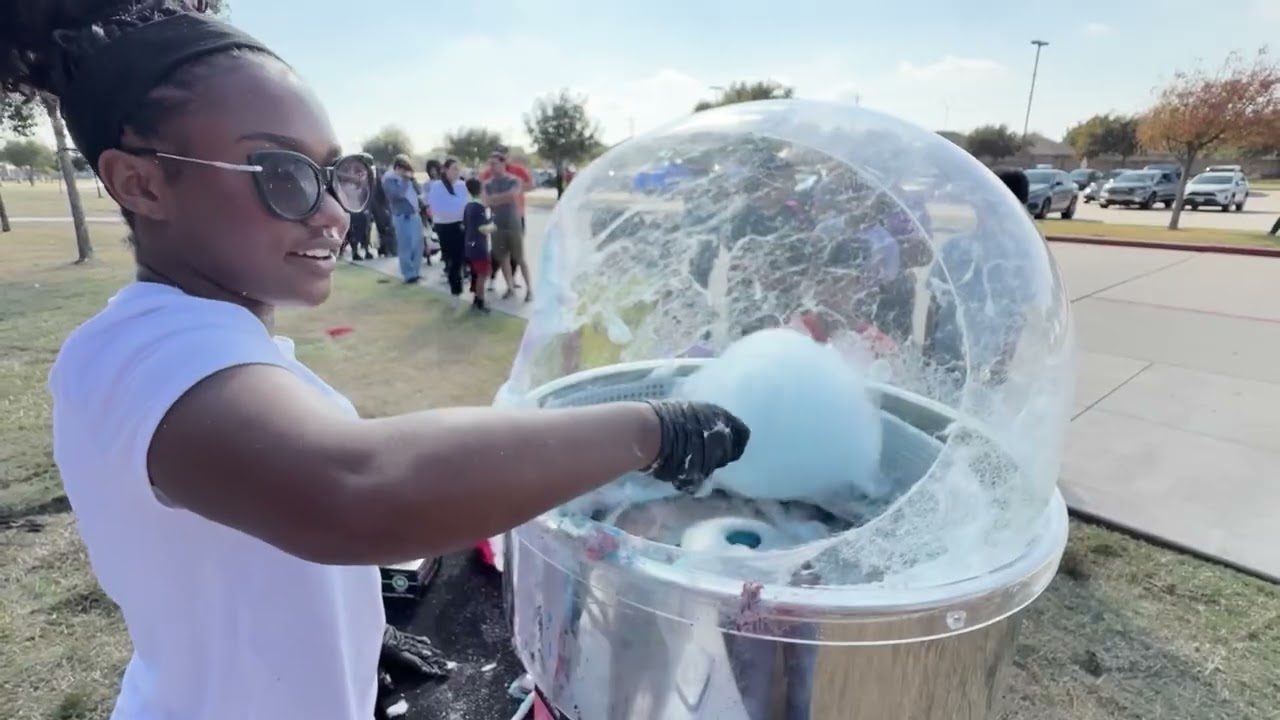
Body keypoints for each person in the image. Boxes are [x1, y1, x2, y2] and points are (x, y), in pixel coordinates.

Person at [8, 6, 751, 720]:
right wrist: (652, 431)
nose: (333, 212)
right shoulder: (143, 354)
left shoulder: (208, 339)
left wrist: (351, 630)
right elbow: (355, 487)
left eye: (338, 174)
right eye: (283, 175)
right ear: (141, 183)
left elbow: (244, 545)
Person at [479, 145, 533, 284]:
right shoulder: (487, 175)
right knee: (499, 254)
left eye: (501, 155)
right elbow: (484, 199)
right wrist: (503, 197)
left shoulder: (517, 172)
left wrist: (497, 198)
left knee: (517, 255)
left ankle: (515, 281)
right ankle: (497, 279)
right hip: (497, 219)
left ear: (505, 158)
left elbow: (528, 186)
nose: (492, 165)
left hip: (517, 215)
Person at [425, 158, 470, 305]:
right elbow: (438, 208)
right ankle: (455, 291)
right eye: (454, 169)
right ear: (445, 170)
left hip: (460, 225)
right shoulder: (437, 186)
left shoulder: (462, 186)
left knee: (459, 259)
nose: (457, 172)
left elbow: (466, 204)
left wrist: (456, 207)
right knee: (450, 260)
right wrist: (457, 206)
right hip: (444, 227)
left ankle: (458, 288)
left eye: (458, 169)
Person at [382, 154, 424, 283]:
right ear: (397, 167)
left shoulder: (409, 179)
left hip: (415, 215)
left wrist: (413, 180)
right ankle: (408, 274)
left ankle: (416, 272)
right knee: (405, 246)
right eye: (404, 168)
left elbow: (419, 191)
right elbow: (397, 195)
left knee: (417, 246)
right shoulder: (389, 180)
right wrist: (405, 181)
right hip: (402, 216)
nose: (406, 171)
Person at [463, 177, 494, 313]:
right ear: (481, 191)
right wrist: (495, 226)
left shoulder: (469, 206)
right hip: (479, 246)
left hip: (470, 245)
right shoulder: (478, 208)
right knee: (483, 273)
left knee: (478, 273)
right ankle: (480, 301)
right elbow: (483, 228)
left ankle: (477, 297)